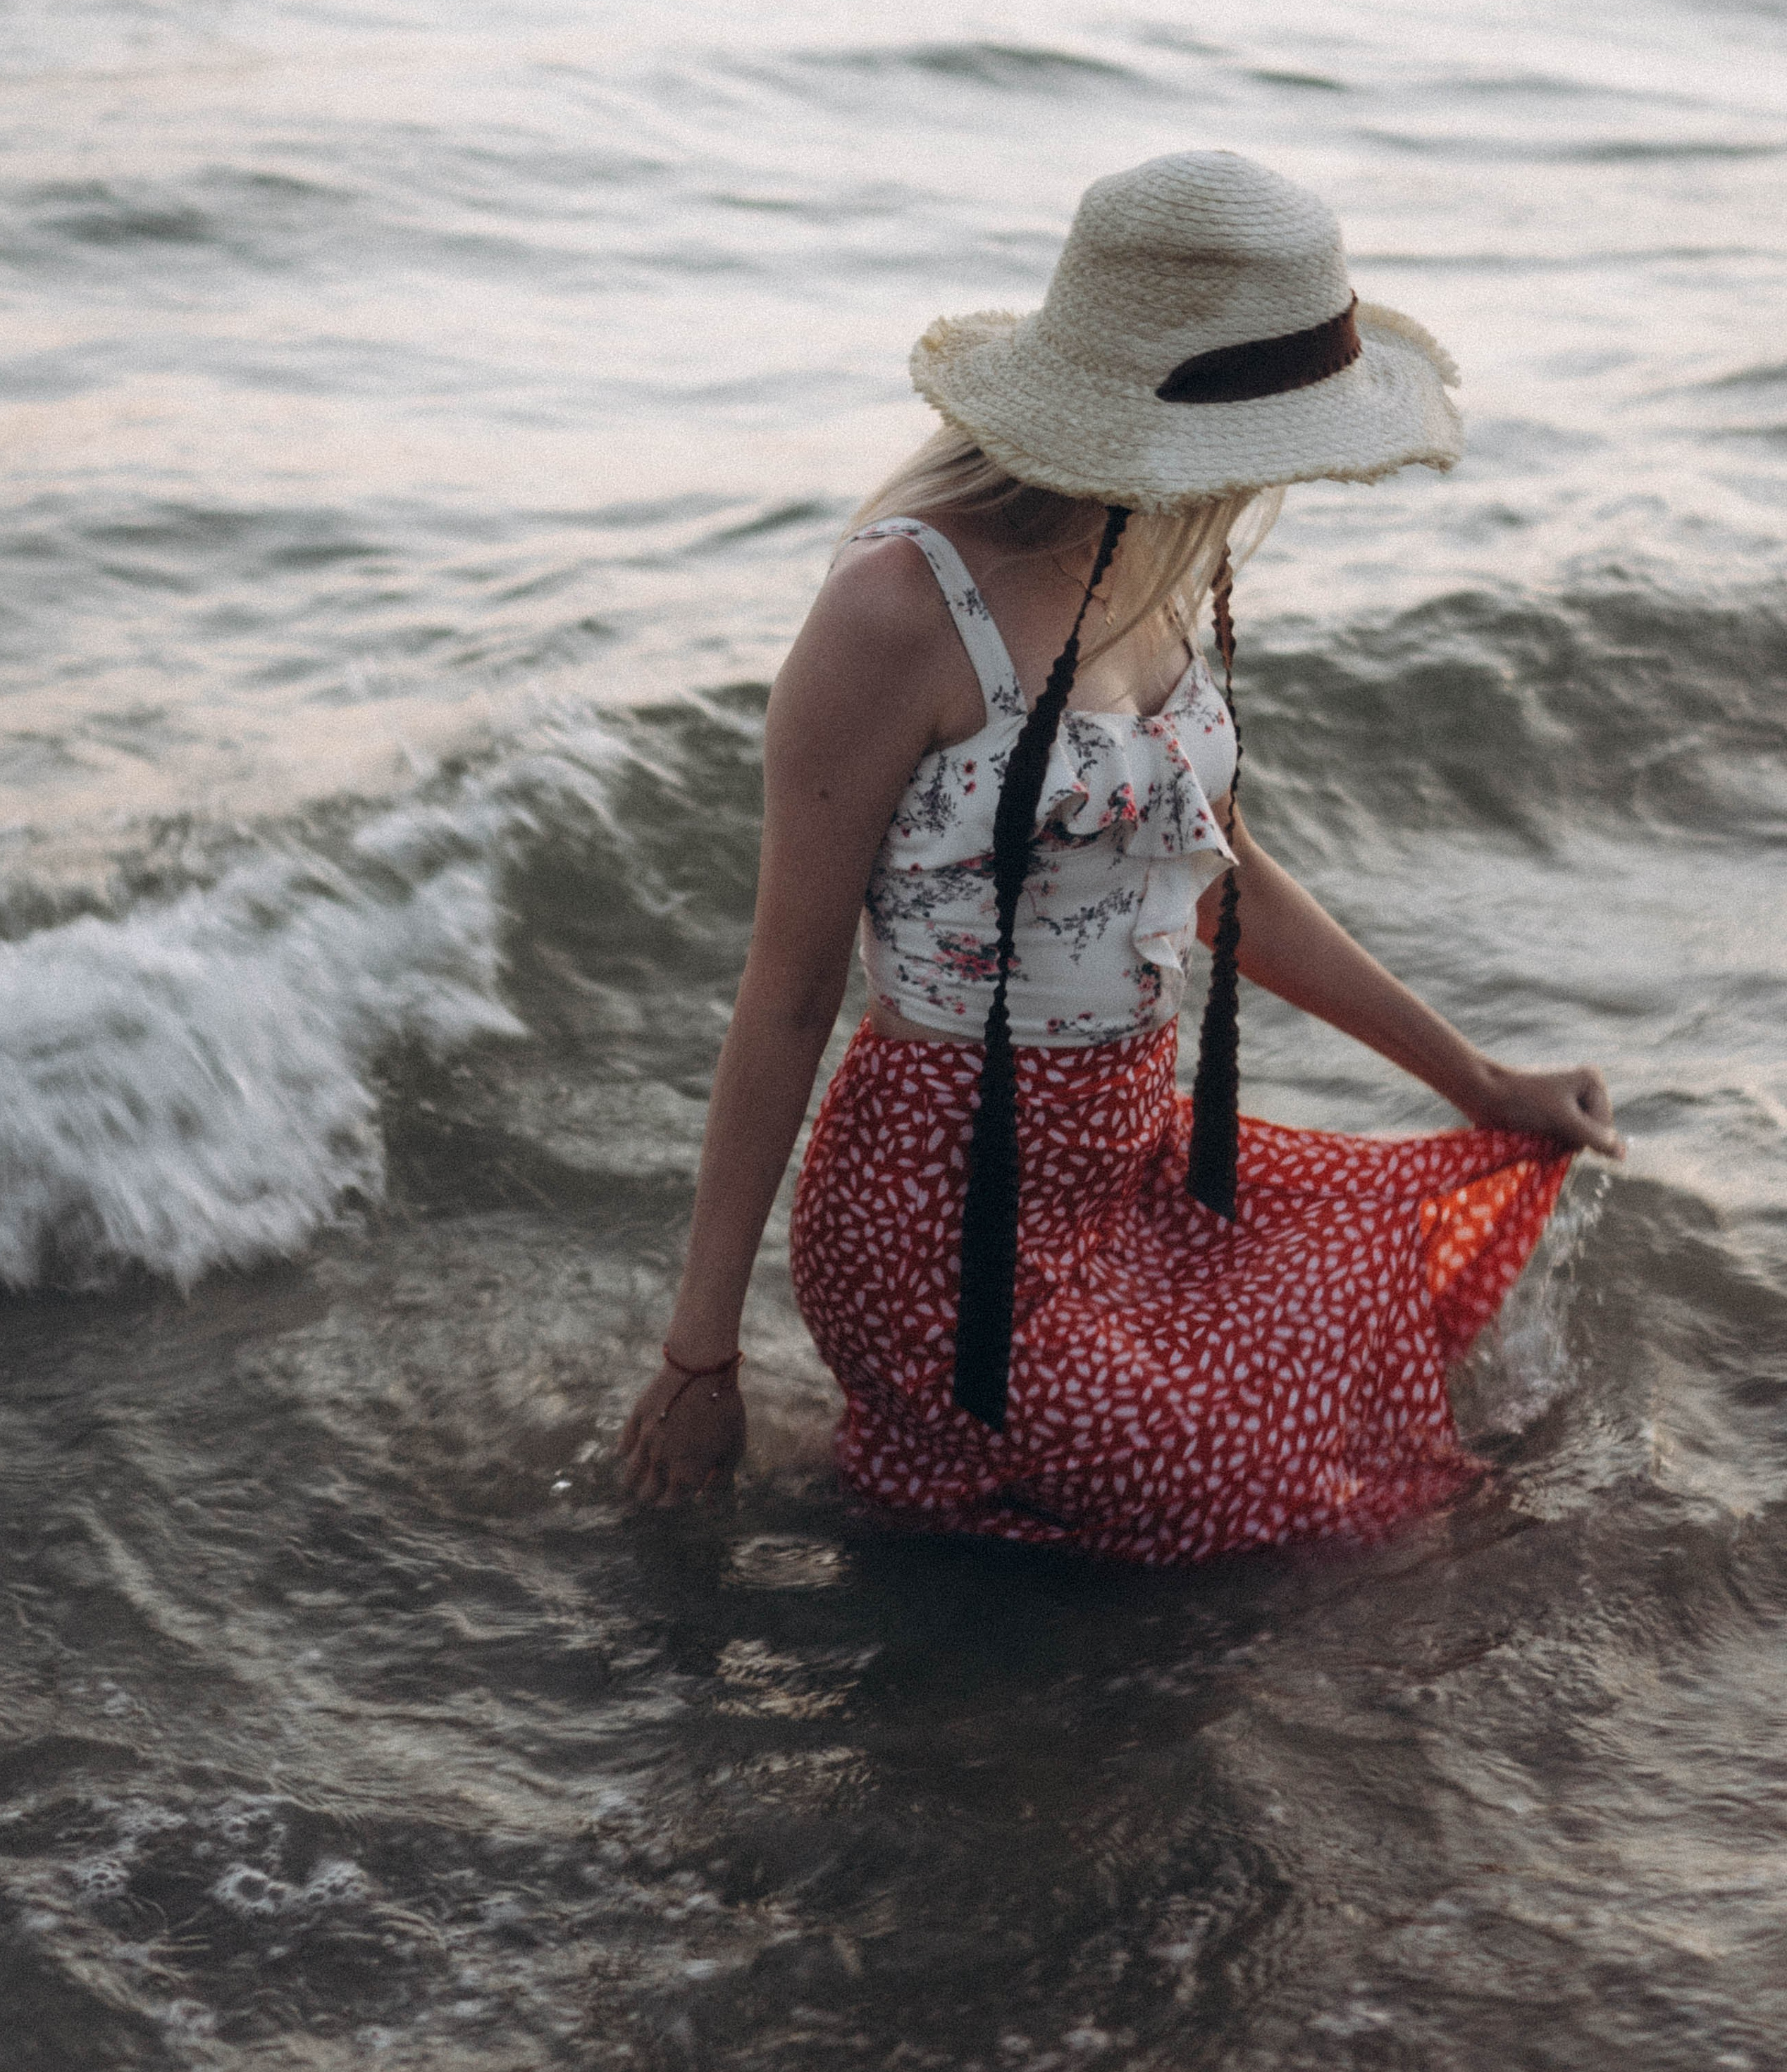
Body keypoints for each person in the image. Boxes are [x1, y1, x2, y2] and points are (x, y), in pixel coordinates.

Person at [618, 150, 1623, 1562]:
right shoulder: (898, 610)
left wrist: (1477, 1082)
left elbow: (1219, 879)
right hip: (937, 1235)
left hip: (1128, 1170)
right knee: (1301, 1522)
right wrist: (698, 1356)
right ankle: (912, 1505)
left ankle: (941, 1538)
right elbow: (783, 996)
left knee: (1372, 1313)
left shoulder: (1145, 554)